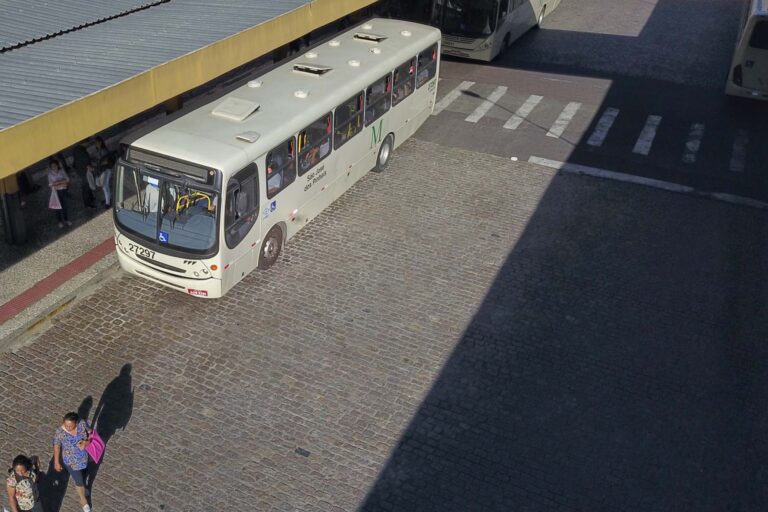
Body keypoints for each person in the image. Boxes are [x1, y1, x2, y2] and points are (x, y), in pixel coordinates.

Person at [52, 412, 93, 512]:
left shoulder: (82, 424)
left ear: (76, 422)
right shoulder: (60, 432)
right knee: (78, 480)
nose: (68, 427)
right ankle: (83, 501)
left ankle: (83, 488)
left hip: (84, 458)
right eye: (66, 425)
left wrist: (86, 442)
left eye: (70, 425)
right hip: (71, 462)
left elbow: (91, 433)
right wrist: (56, 462)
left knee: (84, 475)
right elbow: (57, 446)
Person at [47, 159, 72, 228]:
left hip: (63, 191)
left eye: (55, 165)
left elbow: (67, 179)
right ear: (51, 167)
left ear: (57, 165)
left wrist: (57, 183)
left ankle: (66, 220)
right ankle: (60, 221)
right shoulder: (50, 174)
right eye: (52, 166)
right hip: (56, 192)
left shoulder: (61, 171)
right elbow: (51, 185)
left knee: (64, 206)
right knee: (57, 207)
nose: (54, 167)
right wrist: (62, 183)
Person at [72, 143, 96, 209]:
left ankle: (91, 199)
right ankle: (88, 204)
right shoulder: (81, 151)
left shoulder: (77, 150)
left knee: (87, 187)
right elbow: (86, 162)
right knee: (86, 188)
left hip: (82, 172)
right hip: (84, 173)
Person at [94, 137, 114, 209]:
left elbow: (105, 161)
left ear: (101, 142)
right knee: (105, 186)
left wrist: (98, 163)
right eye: (95, 143)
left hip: (105, 170)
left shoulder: (103, 151)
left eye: (97, 142)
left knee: (105, 186)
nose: (96, 144)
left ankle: (107, 203)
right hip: (103, 170)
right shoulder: (100, 151)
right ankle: (107, 199)